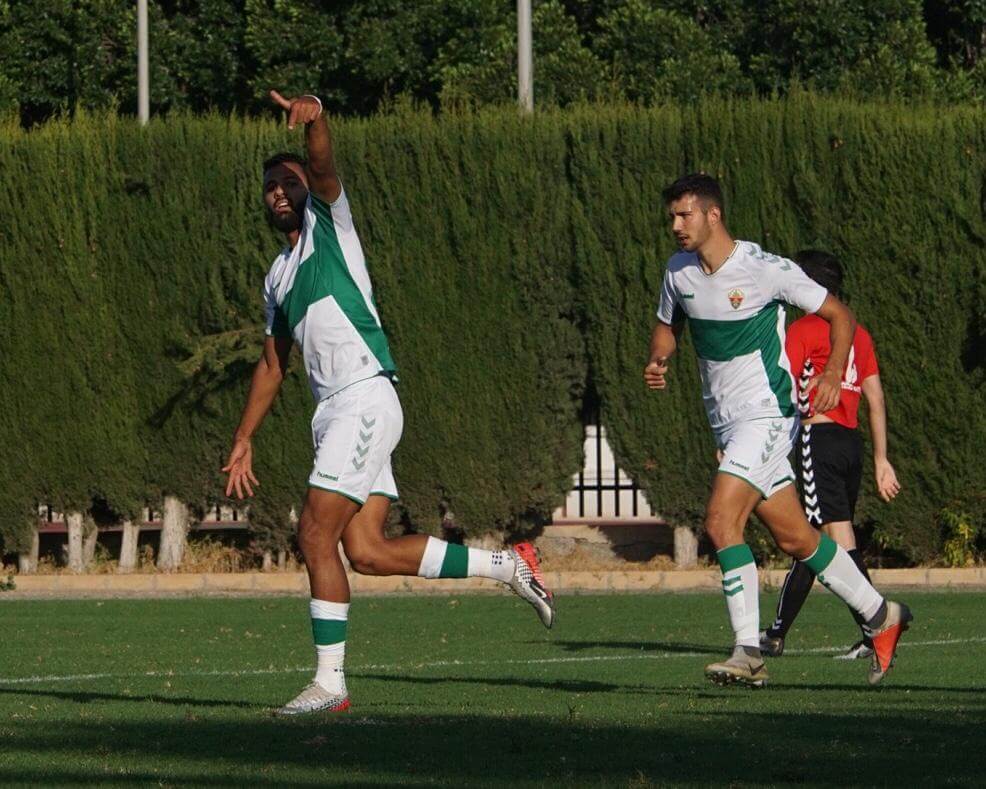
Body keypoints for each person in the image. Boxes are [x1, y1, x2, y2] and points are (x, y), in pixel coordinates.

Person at [222, 90, 555, 716]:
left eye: (286, 180)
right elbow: (273, 363)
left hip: (364, 397)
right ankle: (508, 565)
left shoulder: (332, 225)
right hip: (335, 412)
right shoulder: (278, 275)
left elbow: (323, 167)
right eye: (268, 186)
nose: (277, 191)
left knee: (313, 533)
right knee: (367, 551)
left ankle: (330, 686)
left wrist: (316, 114)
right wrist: (244, 436)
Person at [645, 173, 910, 687]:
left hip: (768, 414)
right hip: (726, 424)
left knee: (721, 521)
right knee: (796, 537)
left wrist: (833, 371)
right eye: (672, 217)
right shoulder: (678, 273)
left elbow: (840, 315)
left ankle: (748, 651)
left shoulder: (765, 269)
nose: (676, 226)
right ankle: (881, 616)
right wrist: (659, 358)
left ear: (712, 214)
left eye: (685, 215)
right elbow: (667, 325)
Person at [760, 251, 900, 661]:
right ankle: (777, 632)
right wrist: (881, 460)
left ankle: (877, 628)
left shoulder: (804, 328)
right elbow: (875, 398)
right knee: (817, 540)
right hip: (850, 445)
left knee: (832, 538)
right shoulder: (859, 333)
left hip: (818, 441)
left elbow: (780, 386)